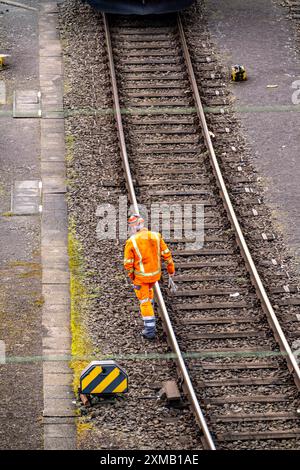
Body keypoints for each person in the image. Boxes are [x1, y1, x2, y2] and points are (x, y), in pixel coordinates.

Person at [123, 214, 175, 339]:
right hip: (155, 276)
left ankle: (149, 329)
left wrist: (132, 276)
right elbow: (167, 255)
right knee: (149, 293)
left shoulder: (132, 241)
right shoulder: (156, 236)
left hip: (141, 278)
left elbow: (128, 264)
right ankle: (150, 310)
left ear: (134, 227)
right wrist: (171, 270)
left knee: (144, 301)